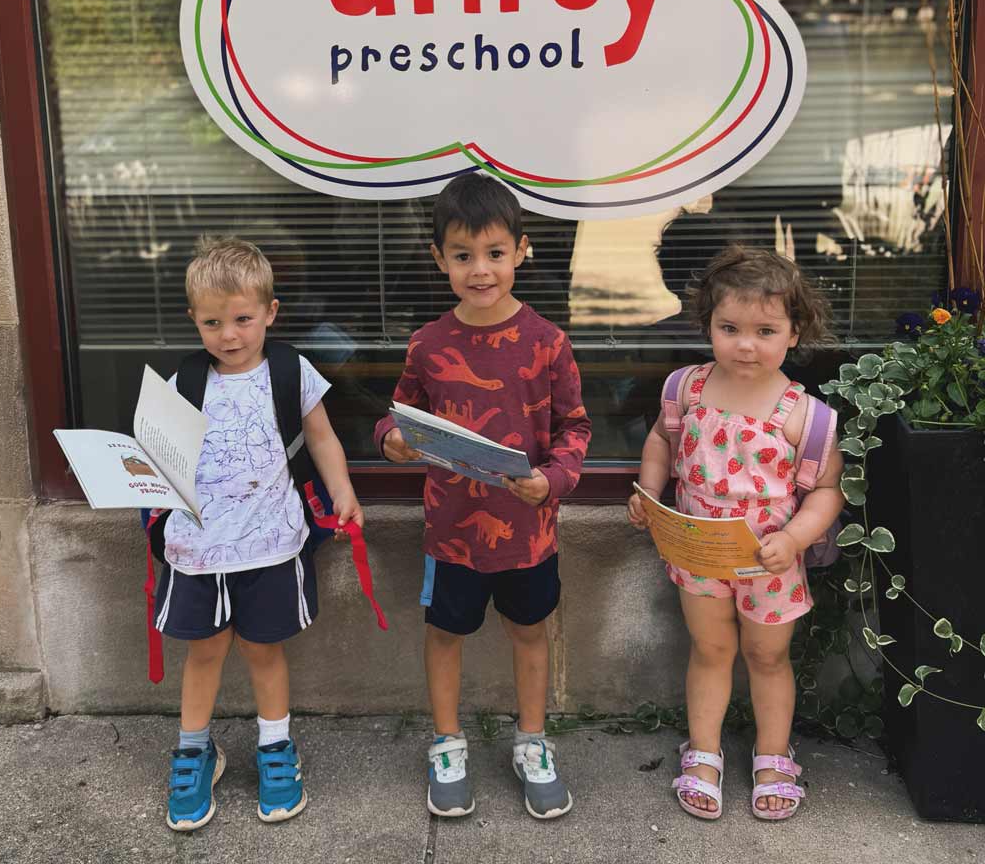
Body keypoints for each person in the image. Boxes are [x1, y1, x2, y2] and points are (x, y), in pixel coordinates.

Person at [375, 173, 591, 820]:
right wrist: (392, 442)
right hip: (451, 534)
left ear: (521, 251)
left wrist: (551, 482)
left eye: (495, 253)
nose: (480, 270)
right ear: (439, 258)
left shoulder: (549, 343)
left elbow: (575, 429)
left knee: (530, 634)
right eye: (463, 255)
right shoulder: (428, 345)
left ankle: (532, 741)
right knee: (445, 634)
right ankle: (447, 743)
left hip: (529, 530)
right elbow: (395, 416)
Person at [627, 245, 843, 821]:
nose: (746, 344)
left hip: (770, 562)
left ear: (794, 334)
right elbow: (659, 441)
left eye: (765, 330)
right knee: (711, 648)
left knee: (768, 658)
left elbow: (827, 490)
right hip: (698, 552)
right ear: (709, 326)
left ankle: (774, 756)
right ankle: (702, 752)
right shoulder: (687, 390)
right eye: (730, 328)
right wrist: (648, 493)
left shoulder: (805, 414)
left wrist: (795, 539)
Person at [154, 235, 363, 831]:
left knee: (264, 650)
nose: (229, 335)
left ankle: (276, 748)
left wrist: (343, 491)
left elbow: (321, 437)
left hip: (271, 543)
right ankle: (195, 751)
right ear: (194, 320)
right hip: (197, 550)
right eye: (213, 322)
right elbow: (158, 455)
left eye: (243, 319)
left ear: (269, 313)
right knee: (205, 651)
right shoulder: (185, 381)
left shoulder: (291, 371)